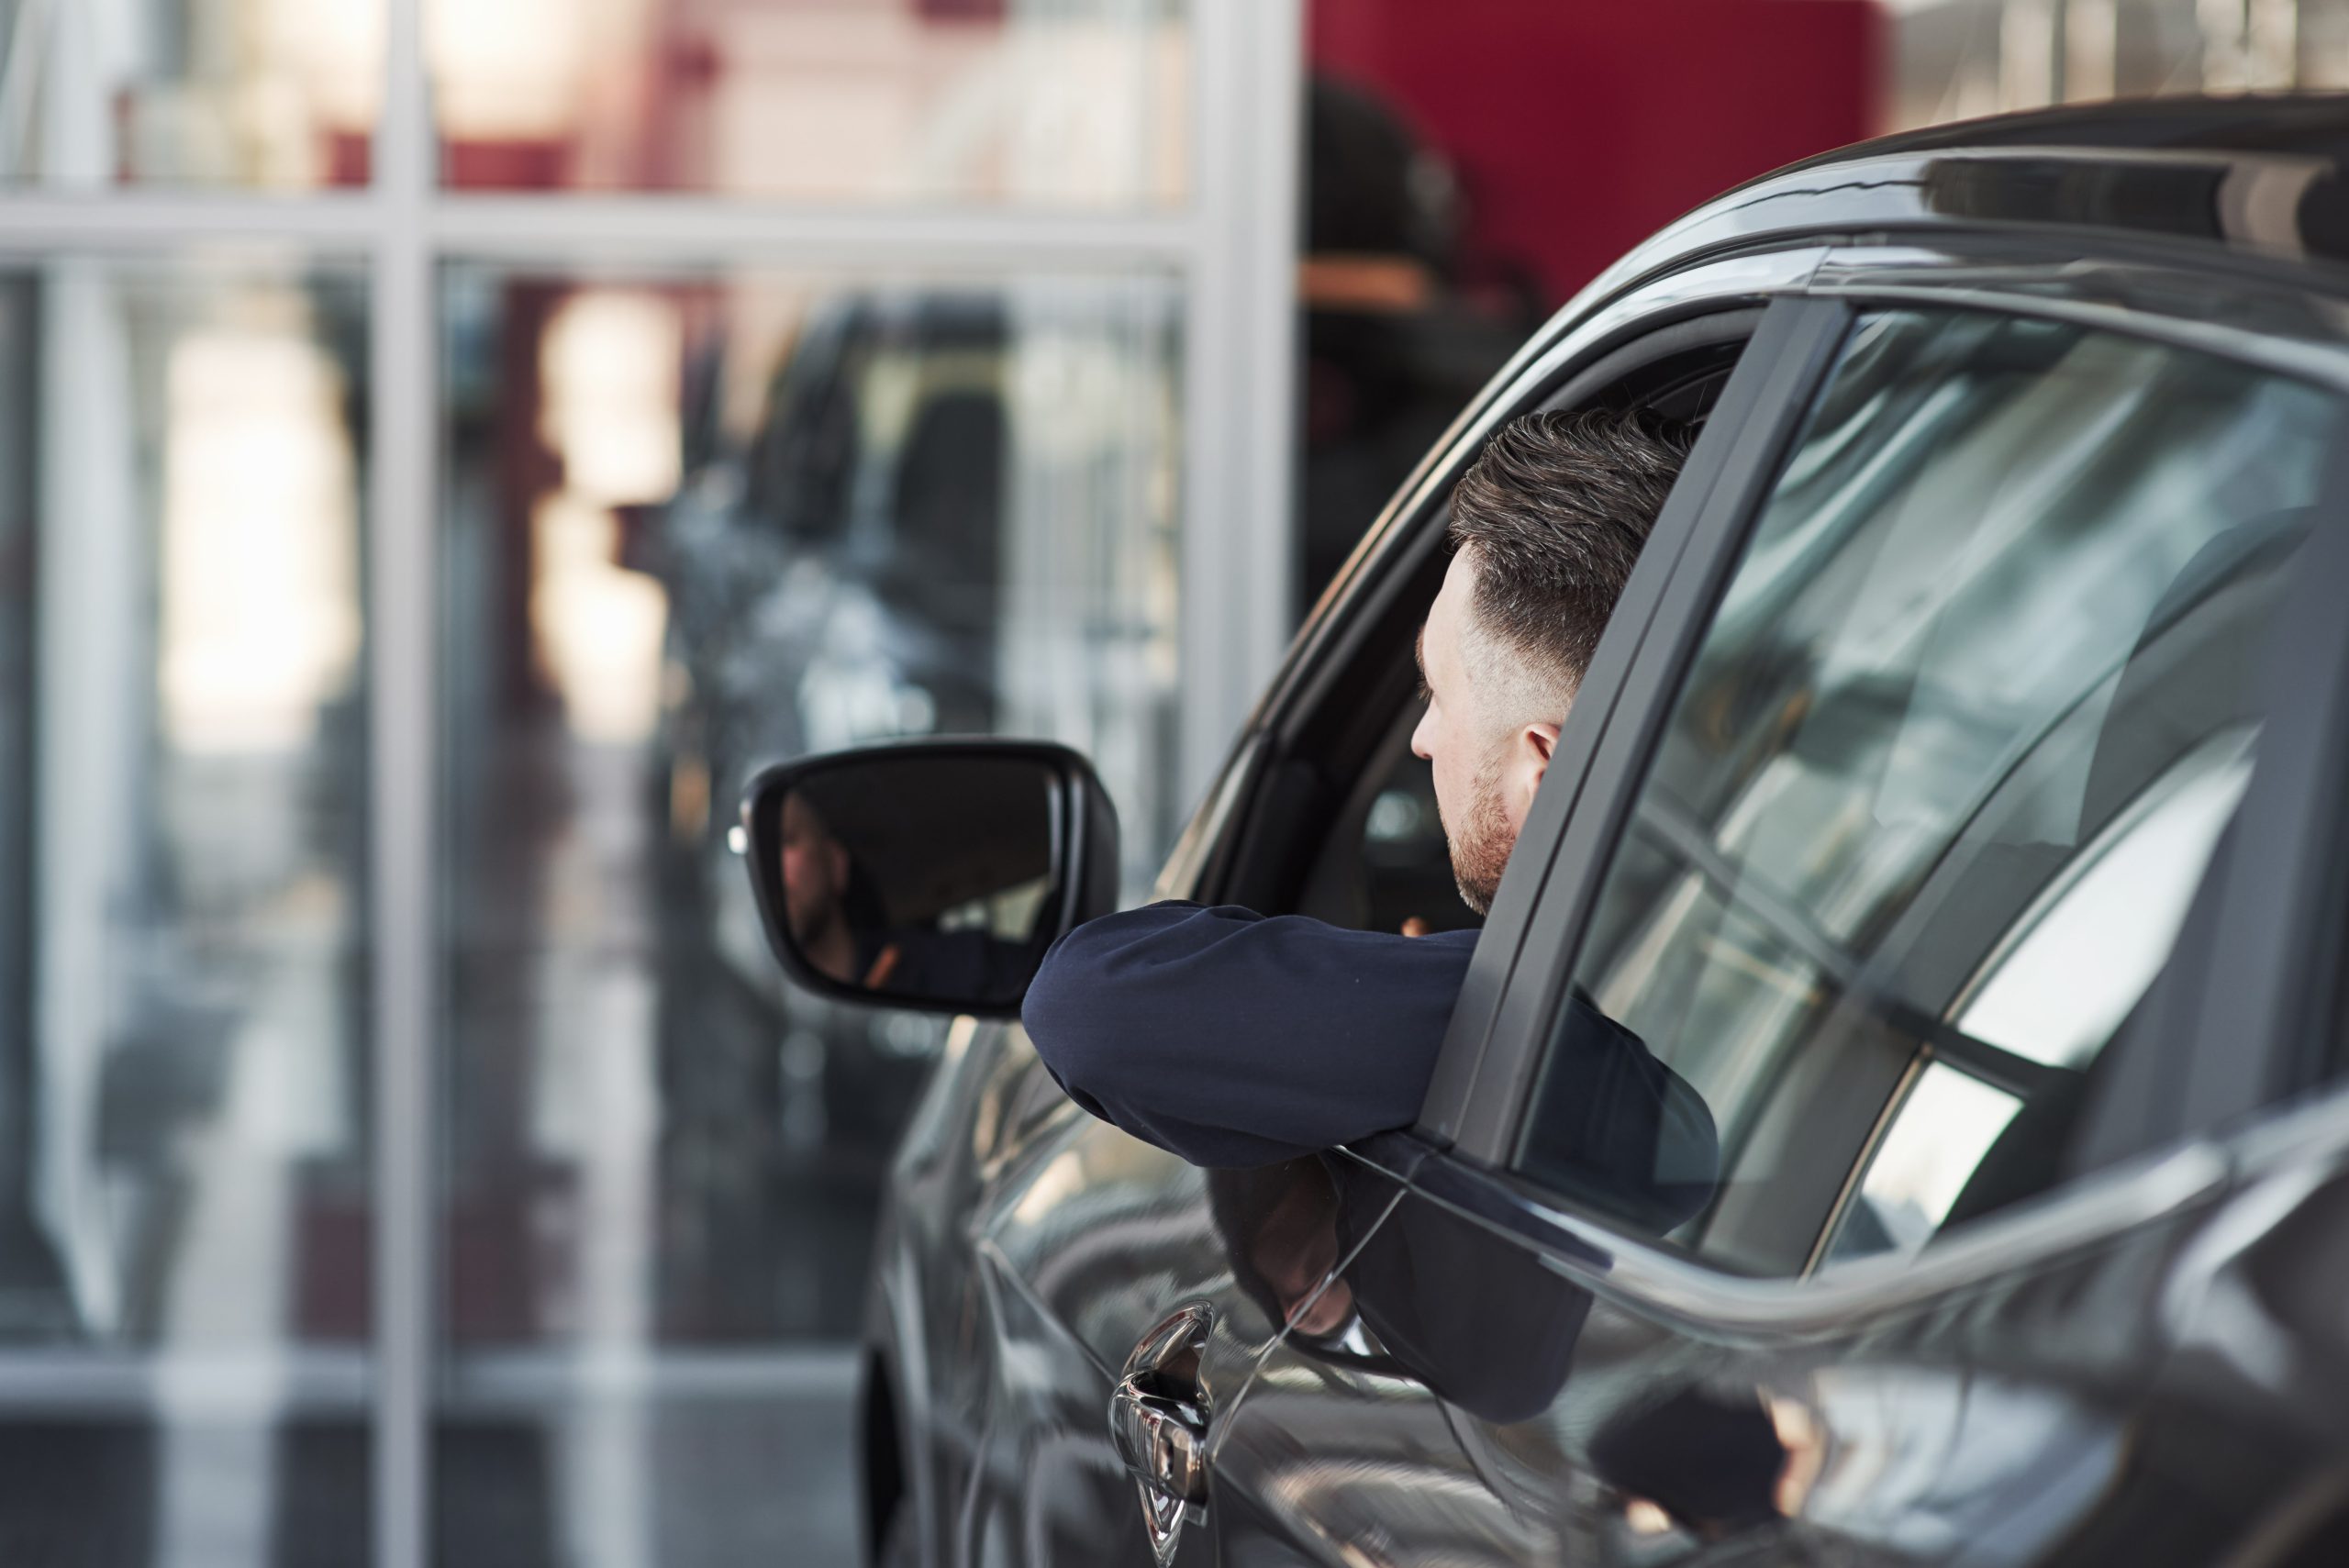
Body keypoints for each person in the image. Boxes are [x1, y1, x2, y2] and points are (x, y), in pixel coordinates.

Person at [1021, 409, 1717, 1214]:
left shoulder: (1520, 1037)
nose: (1420, 739)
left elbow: (1086, 1000)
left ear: (1547, 770)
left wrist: (1400, 984)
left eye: (1437, 694)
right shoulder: (1753, 942)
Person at [777, 789, 1038, 1004]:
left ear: (836, 864)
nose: (770, 868)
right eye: (755, 861)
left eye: (786, 840)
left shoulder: (959, 967)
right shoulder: (799, 1035)